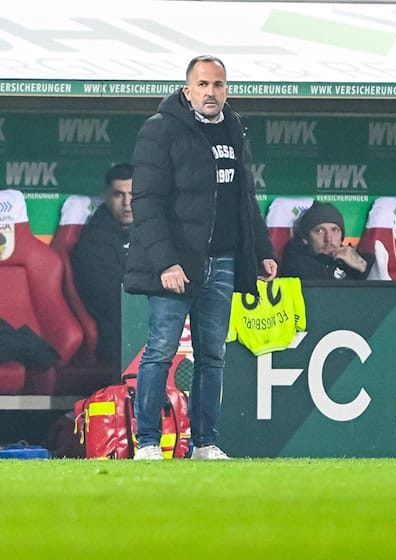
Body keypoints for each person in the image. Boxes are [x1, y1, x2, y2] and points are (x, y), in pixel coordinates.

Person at [125, 55, 277, 461]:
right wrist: (165, 263)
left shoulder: (234, 128)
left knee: (213, 355)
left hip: (223, 260)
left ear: (227, 89)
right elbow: (146, 202)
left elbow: (245, 197)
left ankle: (205, 443)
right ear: (188, 90)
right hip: (177, 264)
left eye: (219, 84)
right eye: (204, 84)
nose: (212, 92)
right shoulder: (160, 129)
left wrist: (262, 251)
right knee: (160, 350)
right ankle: (148, 443)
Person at [71, 163, 134, 366]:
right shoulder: (93, 241)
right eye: (119, 195)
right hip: (120, 334)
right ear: (107, 198)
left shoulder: (155, 231)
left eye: (133, 194)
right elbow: (110, 302)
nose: (127, 203)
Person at [280, 201, 373, 280]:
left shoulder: (358, 260)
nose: (328, 239)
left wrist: (362, 267)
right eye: (319, 231)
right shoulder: (296, 264)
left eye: (335, 230)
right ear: (305, 238)